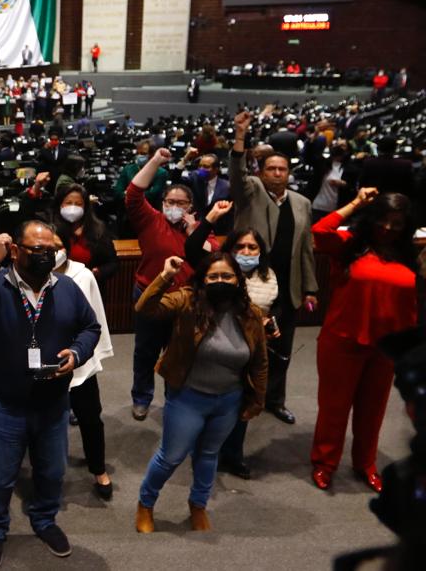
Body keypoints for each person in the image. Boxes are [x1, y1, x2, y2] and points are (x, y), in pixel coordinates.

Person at [0, 221, 101, 568]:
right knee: (0, 476)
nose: (45, 255)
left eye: (50, 249)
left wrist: (77, 353)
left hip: (53, 402)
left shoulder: (66, 287)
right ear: (16, 251)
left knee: (52, 471)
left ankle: (44, 519)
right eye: (37, 249)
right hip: (5, 402)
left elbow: (90, 327)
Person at [134, 253, 268, 533]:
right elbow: (144, 308)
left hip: (228, 400)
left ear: (238, 279)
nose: (221, 281)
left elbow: (260, 362)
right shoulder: (187, 301)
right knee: (171, 456)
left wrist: (258, 400)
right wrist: (166, 276)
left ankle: (198, 505)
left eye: (227, 276)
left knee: (208, 454)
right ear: (202, 280)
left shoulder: (250, 314)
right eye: (213, 276)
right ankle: (145, 504)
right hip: (188, 397)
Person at [310, 189, 418, 492]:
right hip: (342, 340)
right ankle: (324, 463)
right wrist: (356, 202)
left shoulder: (410, 255)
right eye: (383, 220)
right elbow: (320, 230)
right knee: (334, 408)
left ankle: (366, 464)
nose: (388, 228)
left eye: (396, 223)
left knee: (373, 410)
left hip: (387, 347)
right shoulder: (350, 245)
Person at [231, 109, 317, 424]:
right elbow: (237, 175)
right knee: (243, 346)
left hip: (288, 288)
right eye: (271, 168)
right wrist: (240, 136)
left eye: (282, 169)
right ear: (262, 171)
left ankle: (274, 400)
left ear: (289, 173)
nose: (277, 173)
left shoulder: (302, 204)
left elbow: (305, 250)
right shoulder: (251, 191)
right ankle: (238, 398)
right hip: (252, 286)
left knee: (281, 350)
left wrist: (310, 288)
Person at [185, 200, 278, 479]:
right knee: (208, 406)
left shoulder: (269, 276)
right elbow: (192, 248)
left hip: (247, 351)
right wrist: (211, 218)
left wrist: (272, 324)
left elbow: (276, 307)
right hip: (212, 348)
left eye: (252, 247)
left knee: (241, 406)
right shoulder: (218, 271)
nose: (246, 252)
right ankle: (204, 454)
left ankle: (233, 456)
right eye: (240, 247)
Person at [127, 147, 214, 420]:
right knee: (146, 351)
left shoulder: (201, 228)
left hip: (186, 299)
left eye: (181, 203)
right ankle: (141, 397)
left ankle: (173, 399)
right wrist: (155, 161)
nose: (174, 207)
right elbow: (133, 193)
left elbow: (214, 255)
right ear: (162, 202)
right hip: (150, 295)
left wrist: (194, 232)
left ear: (190, 207)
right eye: (170, 201)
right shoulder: (151, 220)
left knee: (179, 352)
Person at [53, 234, 115, 499]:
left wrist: (92, 354)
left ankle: (98, 469)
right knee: (44, 422)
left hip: (79, 358)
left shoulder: (83, 275)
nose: (52, 252)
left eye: (57, 246)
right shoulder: (26, 277)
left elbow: (95, 318)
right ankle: (47, 474)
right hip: (45, 360)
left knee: (90, 417)